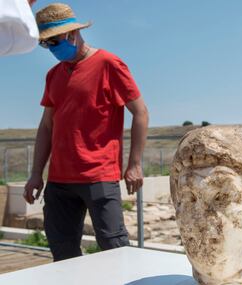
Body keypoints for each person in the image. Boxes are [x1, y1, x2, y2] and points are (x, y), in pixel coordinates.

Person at [23, 3, 149, 261]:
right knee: (62, 252)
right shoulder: (53, 75)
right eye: (46, 44)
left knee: (115, 250)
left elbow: (140, 113)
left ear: (72, 34)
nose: (52, 48)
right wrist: (36, 173)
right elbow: (47, 126)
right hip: (59, 181)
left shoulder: (109, 64)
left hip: (99, 176)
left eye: (55, 41)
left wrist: (134, 164)